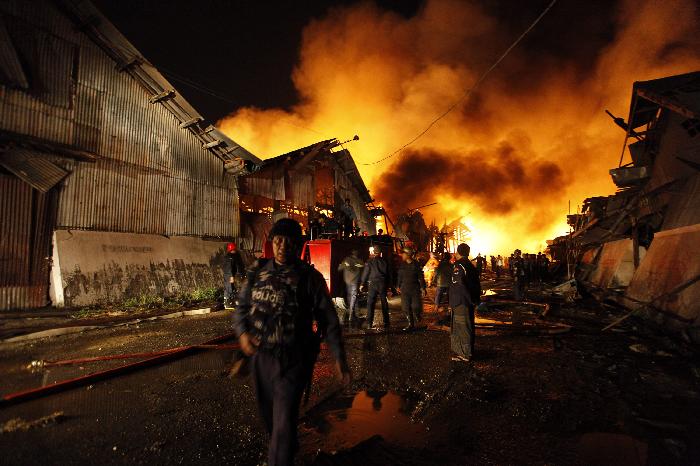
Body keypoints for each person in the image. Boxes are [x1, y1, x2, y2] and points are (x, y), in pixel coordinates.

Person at [233, 219, 351, 466]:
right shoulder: (257, 270)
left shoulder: (309, 278)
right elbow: (242, 307)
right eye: (278, 240)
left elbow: (329, 320)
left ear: (297, 245)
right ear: (272, 243)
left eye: (289, 241)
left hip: (293, 360)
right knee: (270, 419)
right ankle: (286, 445)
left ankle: (281, 455)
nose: (282, 246)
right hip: (261, 359)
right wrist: (243, 335)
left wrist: (339, 358)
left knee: (283, 422)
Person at [449, 243, 481, 362]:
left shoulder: (459, 266)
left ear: (458, 253)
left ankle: (465, 354)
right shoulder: (471, 266)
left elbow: (459, 286)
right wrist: (475, 300)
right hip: (467, 302)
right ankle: (466, 352)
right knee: (467, 326)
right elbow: (476, 285)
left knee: (462, 328)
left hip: (461, 302)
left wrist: (463, 301)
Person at [360, 246, 391, 330]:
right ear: (380, 253)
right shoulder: (385, 261)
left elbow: (365, 273)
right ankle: (386, 322)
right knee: (384, 302)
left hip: (373, 284)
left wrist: (362, 284)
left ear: (374, 252)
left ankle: (369, 323)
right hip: (382, 283)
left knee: (370, 303)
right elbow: (389, 274)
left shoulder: (370, 261)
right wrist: (389, 286)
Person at [397, 246, 427, 330]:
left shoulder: (416, 265)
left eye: (403, 253)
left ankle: (417, 315)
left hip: (414, 289)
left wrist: (423, 288)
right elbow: (400, 276)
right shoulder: (402, 265)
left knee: (416, 306)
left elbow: (421, 277)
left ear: (408, 254)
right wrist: (398, 286)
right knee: (405, 307)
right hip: (405, 288)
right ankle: (410, 324)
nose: (402, 255)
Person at [337, 249, 364, 325]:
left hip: (347, 281)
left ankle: (354, 313)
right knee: (354, 297)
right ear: (356, 254)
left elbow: (339, 268)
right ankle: (352, 315)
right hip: (354, 282)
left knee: (350, 297)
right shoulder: (359, 261)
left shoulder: (346, 260)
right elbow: (363, 266)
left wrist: (344, 265)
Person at [223, 242, 245, 309]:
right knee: (229, 288)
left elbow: (239, 265)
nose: (234, 251)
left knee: (232, 288)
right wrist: (231, 276)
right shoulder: (229, 257)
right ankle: (227, 304)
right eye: (233, 249)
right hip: (229, 275)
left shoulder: (235, 256)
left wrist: (242, 274)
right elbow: (229, 267)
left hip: (233, 274)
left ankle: (232, 302)